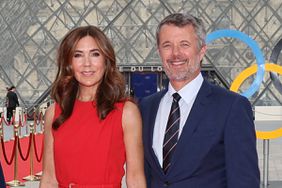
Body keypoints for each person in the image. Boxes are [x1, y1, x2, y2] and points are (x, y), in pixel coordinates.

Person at [139, 13, 260, 188]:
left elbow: (244, 181)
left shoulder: (232, 107)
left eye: (184, 45)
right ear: (159, 52)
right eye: (167, 45)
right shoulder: (146, 107)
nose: (176, 53)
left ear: (202, 50)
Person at [39, 26, 146, 188]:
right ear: (69, 62)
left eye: (95, 54)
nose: (87, 64)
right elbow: (49, 178)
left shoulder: (127, 113)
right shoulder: (53, 113)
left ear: (106, 60)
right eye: (78, 55)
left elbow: (136, 178)